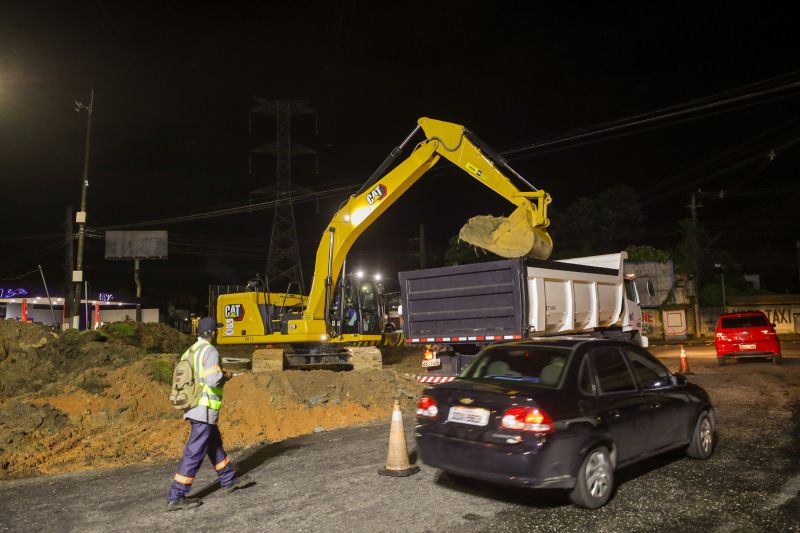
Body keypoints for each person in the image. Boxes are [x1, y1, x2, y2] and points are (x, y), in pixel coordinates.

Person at [165, 317, 252, 511]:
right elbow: (213, 380)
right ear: (212, 333)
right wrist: (226, 376)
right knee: (194, 452)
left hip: (194, 405)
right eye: (217, 331)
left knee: (214, 444)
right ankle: (176, 495)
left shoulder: (191, 351)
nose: (218, 333)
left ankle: (229, 480)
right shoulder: (210, 351)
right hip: (204, 408)